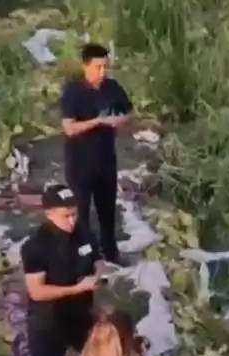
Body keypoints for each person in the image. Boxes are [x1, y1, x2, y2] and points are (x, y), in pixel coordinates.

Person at [20, 184, 100, 356]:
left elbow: (95, 263)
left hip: (81, 318)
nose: (72, 220)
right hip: (48, 322)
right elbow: (37, 291)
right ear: (50, 214)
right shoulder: (36, 247)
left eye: (75, 213)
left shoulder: (84, 234)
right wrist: (78, 288)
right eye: (66, 215)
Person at [60, 43, 133, 265]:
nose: (102, 72)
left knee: (107, 211)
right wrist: (99, 121)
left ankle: (111, 253)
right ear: (85, 66)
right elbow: (69, 128)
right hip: (80, 164)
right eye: (98, 67)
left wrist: (120, 120)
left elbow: (128, 111)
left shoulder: (112, 87)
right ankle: (85, 259)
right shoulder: (73, 92)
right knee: (80, 214)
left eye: (105, 67)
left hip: (106, 161)